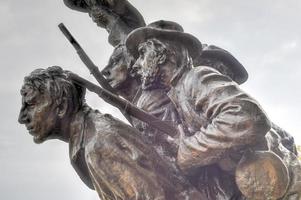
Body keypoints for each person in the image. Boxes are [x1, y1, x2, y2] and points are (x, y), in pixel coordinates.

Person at [125, 23, 301, 199]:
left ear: (166, 54)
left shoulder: (194, 78)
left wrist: (190, 149)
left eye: (142, 55)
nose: (136, 66)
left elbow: (247, 117)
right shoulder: (177, 94)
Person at [18, 66, 204, 200]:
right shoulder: (89, 138)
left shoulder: (99, 143)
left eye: (31, 104)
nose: (22, 117)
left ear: (62, 106)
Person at [63, 0, 145, 46]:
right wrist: (92, 10)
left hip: (118, 8)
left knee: (138, 26)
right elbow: (72, 4)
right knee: (122, 32)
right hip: (104, 12)